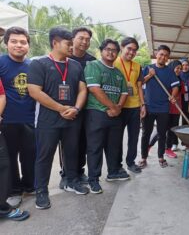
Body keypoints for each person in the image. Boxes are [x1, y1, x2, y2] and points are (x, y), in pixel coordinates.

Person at [28, 27, 89, 210]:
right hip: (48, 120)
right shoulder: (39, 64)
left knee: (72, 152)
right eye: (68, 43)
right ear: (55, 43)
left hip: (72, 118)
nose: (72, 47)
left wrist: (76, 108)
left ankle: (71, 181)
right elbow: (34, 91)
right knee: (45, 156)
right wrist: (61, 108)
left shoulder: (76, 65)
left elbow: (82, 89)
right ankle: (41, 191)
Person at [85, 39, 128, 193]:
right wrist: (112, 107)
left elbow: (124, 92)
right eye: (108, 49)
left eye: (114, 50)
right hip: (97, 113)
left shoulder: (118, 73)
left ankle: (113, 172)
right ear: (101, 51)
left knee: (113, 147)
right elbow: (95, 89)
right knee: (95, 148)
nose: (111, 52)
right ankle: (93, 179)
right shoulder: (93, 66)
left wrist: (118, 108)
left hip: (115, 114)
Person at [0, 27, 36, 208]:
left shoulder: (33, 66)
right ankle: (14, 190)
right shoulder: (0, 62)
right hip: (7, 121)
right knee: (10, 157)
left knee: (30, 155)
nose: (19, 45)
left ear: (28, 45)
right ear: (6, 43)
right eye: (14, 41)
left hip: (30, 120)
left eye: (23, 42)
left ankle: (30, 185)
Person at [59, 27, 96, 189]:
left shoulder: (92, 61)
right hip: (66, 108)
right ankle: (66, 174)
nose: (84, 42)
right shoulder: (64, 57)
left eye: (88, 39)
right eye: (81, 38)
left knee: (83, 142)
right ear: (72, 39)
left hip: (85, 108)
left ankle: (80, 171)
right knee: (67, 143)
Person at [139, 45, 179, 168]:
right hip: (149, 107)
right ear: (156, 54)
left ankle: (160, 157)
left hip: (163, 108)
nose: (163, 57)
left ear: (168, 58)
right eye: (161, 54)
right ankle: (143, 157)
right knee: (146, 133)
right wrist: (150, 75)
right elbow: (140, 84)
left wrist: (173, 96)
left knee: (162, 134)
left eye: (166, 55)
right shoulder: (148, 68)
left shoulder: (169, 71)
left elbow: (175, 86)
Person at [113, 37, 146, 174]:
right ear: (122, 47)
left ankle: (130, 162)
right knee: (116, 137)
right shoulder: (113, 62)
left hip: (134, 106)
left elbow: (139, 87)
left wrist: (143, 105)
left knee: (134, 136)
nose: (131, 52)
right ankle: (117, 164)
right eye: (129, 49)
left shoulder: (137, 66)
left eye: (134, 50)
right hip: (118, 107)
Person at [0, 79, 30, 221]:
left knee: (4, 164)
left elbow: (1, 95)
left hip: (23, 120)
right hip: (8, 122)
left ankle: (3, 207)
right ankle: (5, 205)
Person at [165, 60, 183, 158]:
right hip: (166, 107)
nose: (179, 70)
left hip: (176, 108)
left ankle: (168, 149)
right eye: (177, 68)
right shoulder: (166, 79)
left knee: (172, 129)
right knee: (163, 129)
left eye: (180, 69)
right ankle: (149, 145)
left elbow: (181, 95)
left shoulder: (180, 79)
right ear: (172, 67)